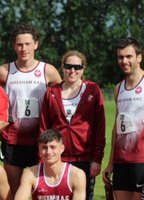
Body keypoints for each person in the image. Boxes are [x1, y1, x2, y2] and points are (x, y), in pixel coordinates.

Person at [0, 23, 62, 192]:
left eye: (28, 44)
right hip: (13, 141)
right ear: (14, 46)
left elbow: (63, 101)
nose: (24, 48)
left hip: (41, 140)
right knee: (15, 192)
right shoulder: (4, 71)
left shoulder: (48, 71)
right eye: (20, 44)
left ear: (36, 44)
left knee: (42, 191)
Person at [103, 37, 144, 200]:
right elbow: (117, 128)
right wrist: (111, 162)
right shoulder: (119, 88)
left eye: (128, 56)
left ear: (139, 57)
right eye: (120, 57)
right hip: (121, 163)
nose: (124, 61)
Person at [39, 50, 106, 200]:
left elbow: (99, 127)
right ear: (62, 67)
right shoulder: (52, 92)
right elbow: (44, 128)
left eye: (77, 67)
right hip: (57, 158)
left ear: (83, 69)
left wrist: (97, 159)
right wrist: (42, 158)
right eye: (68, 66)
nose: (72, 71)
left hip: (85, 158)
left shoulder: (93, 90)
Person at [15, 129, 86, 200]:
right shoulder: (30, 173)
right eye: (44, 147)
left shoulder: (77, 175)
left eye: (53, 147)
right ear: (39, 150)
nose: (48, 152)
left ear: (62, 148)